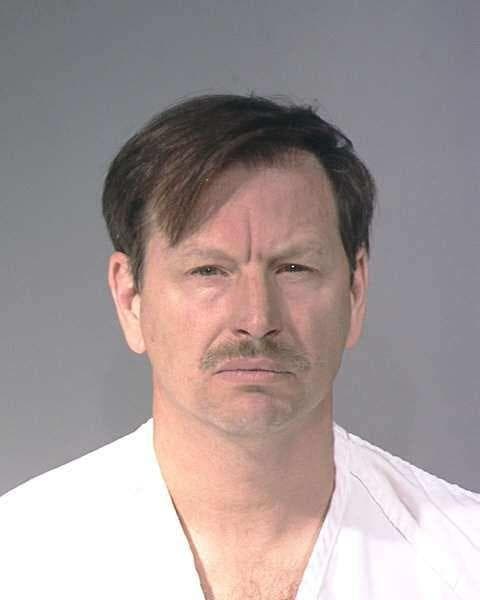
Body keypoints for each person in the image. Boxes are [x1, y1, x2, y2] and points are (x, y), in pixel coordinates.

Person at [1, 94, 478, 600]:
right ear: (130, 297)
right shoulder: (20, 560)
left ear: (355, 290)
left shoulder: (465, 559)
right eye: (208, 270)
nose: (256, 320)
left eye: (293, 268)